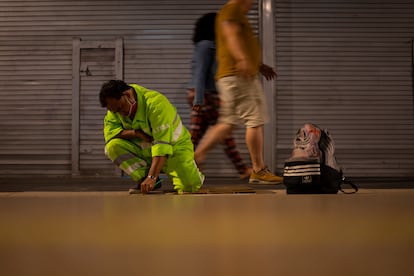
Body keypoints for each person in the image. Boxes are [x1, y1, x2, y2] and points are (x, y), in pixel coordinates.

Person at [194, 0, 283, 184]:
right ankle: (258, 169)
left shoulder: (231, 11)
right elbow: (231, 34)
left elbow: (234, 42)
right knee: (255, 119)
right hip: (239, 75)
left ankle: (198, 154)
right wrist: (242, 59)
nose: (252, 2)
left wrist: (258, 65)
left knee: (228, 122)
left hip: (232, 75)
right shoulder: (232, 9)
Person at [99, 80, 205, 194]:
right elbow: (110, 133)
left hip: (174, 149)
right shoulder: (115, 108)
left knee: (189, 187)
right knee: (112, 147)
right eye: (114, 111)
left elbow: (162, 145)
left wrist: (152, 177)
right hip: (148, 150)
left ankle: (184, 173)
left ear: (128, 95)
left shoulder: (156, 104)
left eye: (120, 108)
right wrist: (136, 133)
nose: (119, 114)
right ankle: (145, 179)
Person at [188, 12, 251, 179]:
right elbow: (200, 73)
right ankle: (242, 169)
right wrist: (199, 99)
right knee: (225, 127)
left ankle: (182, 165)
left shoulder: (208, 45)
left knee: (196, 135)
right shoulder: (206, 46)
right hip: (206, 94)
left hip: (204, 94)